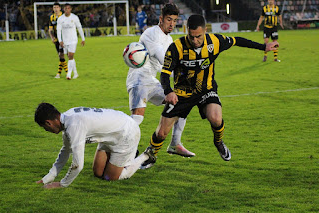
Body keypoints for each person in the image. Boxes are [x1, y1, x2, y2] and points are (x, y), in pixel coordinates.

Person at [142, 14, 279, 167]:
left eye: (198, 37)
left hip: (206, 90)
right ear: (187, 31)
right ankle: (151, 153)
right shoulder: (176, 47)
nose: (195, 41)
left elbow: (237, 41)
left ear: (205, 30)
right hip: (182, 93)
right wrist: (168, 91)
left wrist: (263, 47)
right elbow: (165, 73)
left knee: (216, 118)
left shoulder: (215, 41)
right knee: (161, 133)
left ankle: (218, 142)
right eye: (191, 36)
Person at [126, 3, 195, 164]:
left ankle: (175, 143)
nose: (172, 24)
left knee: (182, 101)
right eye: (169, 20)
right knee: (137, 119)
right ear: (161, 18)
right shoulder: (151, 33)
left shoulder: (169, 38)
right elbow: (164, 59)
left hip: (151, 80)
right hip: (139, 79)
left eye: (175, 20)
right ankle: (121, 144)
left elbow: (168, 66)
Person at [35, 103, 156, 189]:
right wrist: (49, 176)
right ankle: (125, 157)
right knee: (98, 173)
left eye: (44, 127)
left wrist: (62, 184)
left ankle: (145, 156)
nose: (46, 130)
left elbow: (78, 165)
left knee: (111, 177)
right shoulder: (67, 118)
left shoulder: (74, 125)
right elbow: (66, 151)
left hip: (126, 134)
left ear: (48, 123)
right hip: (111, 134)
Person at [57, 3, 85, 80]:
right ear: (63, 9)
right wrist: (60, 40)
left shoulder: (75, 17)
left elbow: (79, 27)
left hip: (73, 40)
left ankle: (68, 75)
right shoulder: (60, 19)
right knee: (70, 57)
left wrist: (83, 39)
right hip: (65, 41)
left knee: (70, 56)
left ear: (71, 9)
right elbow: (58, 30)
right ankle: (75, 73)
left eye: (68, 8)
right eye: (66, 8)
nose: (67, 10)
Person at [48, 2, 68, 79]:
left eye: (57, 7)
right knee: (60, 56)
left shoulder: (64, 16)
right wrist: (52, 37)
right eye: (54, 7)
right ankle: (60, 73)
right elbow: (50, 29)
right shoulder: (51, 17)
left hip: (63, 39)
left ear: (60, 8)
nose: (55, 9)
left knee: (61, 55)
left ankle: (64, 73)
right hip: (56, 39)